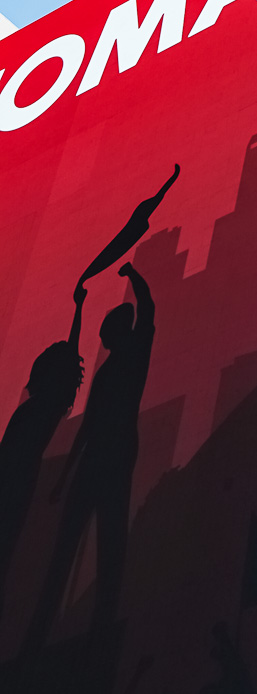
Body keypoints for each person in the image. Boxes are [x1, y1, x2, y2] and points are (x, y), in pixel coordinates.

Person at [24, 263, 154, 653]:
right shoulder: (109, 370)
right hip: (96, 458)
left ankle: (100, 628)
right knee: (68, 542)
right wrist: (65, 478)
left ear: (118, 332)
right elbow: (86, 427)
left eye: (107, 334)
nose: (105, 340)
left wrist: (133, 275)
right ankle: (38, 634)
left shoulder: (135, 354)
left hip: (114, 457)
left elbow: (146, 307)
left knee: (111, 538)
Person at [0, 286, 86, 621]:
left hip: (12, 480)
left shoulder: (46, 406)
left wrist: (79, 311)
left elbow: (70, 352)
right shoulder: (44, 406)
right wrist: (78, 307)